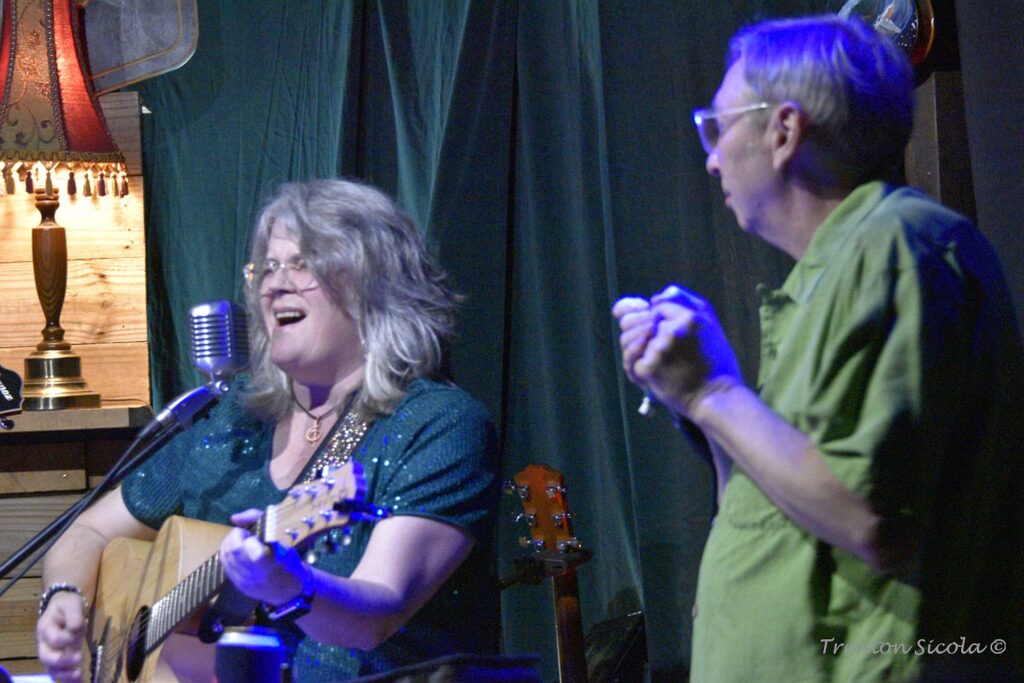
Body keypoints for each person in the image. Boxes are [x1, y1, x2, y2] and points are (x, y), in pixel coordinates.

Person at [614, 15, 1024, 682]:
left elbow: (870, 517)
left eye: (717, 127)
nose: (711, 156)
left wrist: (714, 392)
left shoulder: (896, 244)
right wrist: (696, 394)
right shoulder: (828, 272)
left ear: (783, 130)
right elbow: (768, 501)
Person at [36, 178, 500, 681]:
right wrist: (65, 597)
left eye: (304, 265)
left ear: (378, 285)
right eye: (268, 267)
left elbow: (378, 616)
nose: (275, 284)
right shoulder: (232, 421)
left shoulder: (439, 424)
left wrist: (287, 584)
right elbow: (86, 531)